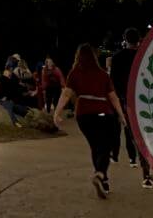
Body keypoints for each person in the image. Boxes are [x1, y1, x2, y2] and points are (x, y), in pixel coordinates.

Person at [54, 42, 128, 200]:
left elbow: (66, 94)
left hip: (83, 116)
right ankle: (100, 174)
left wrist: (56, 113)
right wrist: (121, 115)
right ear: (94, 57)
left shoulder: (74, 73)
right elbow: (113, 97)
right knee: (104, 146)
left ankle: (104, 180)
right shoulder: (102, 74)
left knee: (96, 146)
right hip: (102, 113)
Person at [108, 28, 153, 190]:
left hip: (127, 102)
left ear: (125, 39)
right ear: (139, 40)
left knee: (136, 137)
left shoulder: (117, 58)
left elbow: (113, 84)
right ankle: (149, 167)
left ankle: (147, 172)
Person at [0, 61, 33, 126]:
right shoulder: (4, 78)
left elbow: (14, 87)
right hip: (6, 98)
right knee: (10, 107)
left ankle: (28, 115)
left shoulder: (11, 77)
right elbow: (1, 88)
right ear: (10, 68)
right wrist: (3, 97)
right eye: (12, 68)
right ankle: (16, 122)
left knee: (16, 108)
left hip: (10, 98)